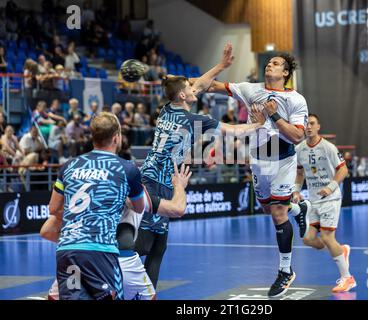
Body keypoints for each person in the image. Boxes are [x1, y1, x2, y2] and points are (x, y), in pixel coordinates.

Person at [136, 43, 266, 289]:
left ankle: (146, 293)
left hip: (150, 176)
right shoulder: (196, 120)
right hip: (162, 182)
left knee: (159, 244)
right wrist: (259, 124)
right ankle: (103, 266)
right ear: (183, 95)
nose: (194, 87)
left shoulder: (166, 109)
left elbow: (199, 85)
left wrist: (222, 66)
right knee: (145, 243)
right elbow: (233, 131)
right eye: (189, 87)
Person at [201, 53, 309, 297]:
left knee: (277, 214)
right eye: (269, 62)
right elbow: (209, 85)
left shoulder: (296, 100)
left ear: (285, 73)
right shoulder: (249, 89)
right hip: (259, 159)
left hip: (283, 160)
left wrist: (274, 115)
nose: (270, 64)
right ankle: (299, 209)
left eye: (277, 63)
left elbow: (297, 136)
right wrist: (183, 81)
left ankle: (285, 271)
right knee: (268, 209)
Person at [40, 112, 146, 300]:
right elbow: (139, 207)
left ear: (93, 137)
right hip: (100, 251)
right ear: (116, 137)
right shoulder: (127, 168)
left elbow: (53, 209)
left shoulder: (69, 166)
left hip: (68, 250)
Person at [293, 114, 356, 293]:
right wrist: (296, 190)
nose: (309, 127)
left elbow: (343, 170)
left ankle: (347, 278)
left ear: (319, 126)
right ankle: (340, 250)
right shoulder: (299, 149)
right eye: (306, 124)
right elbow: (299, 173)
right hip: (313, 199)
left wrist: (330, 187)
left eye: (312, 124)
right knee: (308, 239)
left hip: (331, 198)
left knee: (328, 237)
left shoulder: (328, 147)